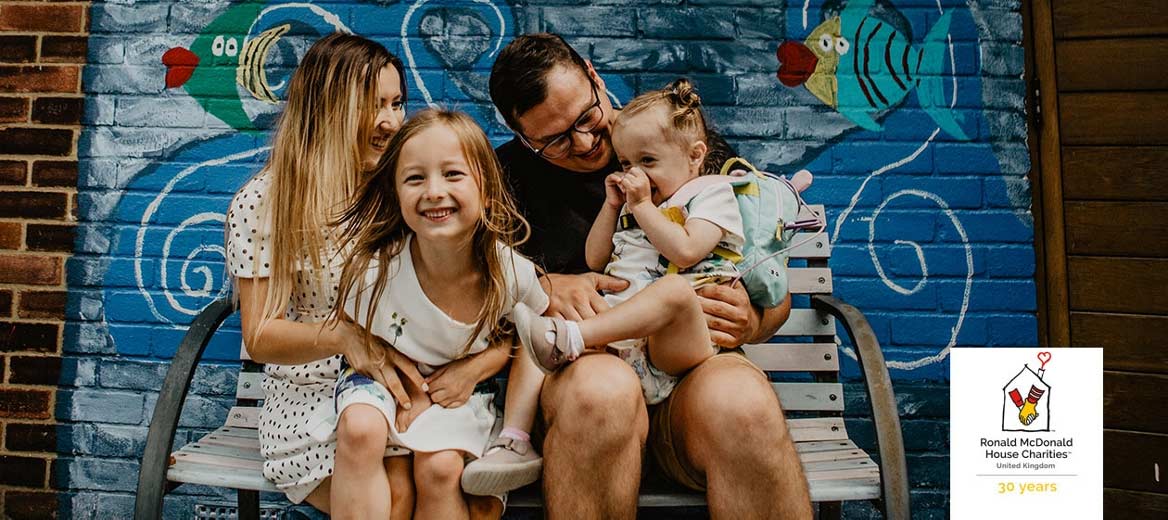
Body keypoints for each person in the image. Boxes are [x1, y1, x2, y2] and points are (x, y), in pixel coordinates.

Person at [488, 33, 814, 518]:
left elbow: (771, 282)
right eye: (553, 141)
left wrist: (752, 320)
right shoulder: (502, 179)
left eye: (586, 117)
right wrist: (542, 285)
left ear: (596, 79)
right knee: (601, 395)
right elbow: (467, 293)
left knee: (742, 403)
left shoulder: (674, 138)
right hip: (589, 373)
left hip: (691, 371)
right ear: (521, 138)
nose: (582, 142)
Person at [226, 35, 503, 520]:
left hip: (414, 388)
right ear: (329, 107)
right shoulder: (268, 200)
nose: (392, 121)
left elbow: (492, 284)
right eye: (373, 105)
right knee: (396, 498)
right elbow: (262, 334)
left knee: (448, 487)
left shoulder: (404, 186)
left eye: (397, 103)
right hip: (313, 395)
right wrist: (344, 337)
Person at [326, 108, 551, 518]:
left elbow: (526, 336)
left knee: (441, 467)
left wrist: (474, 370)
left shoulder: (510, 273)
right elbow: (351, 331)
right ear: (396, 194)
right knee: (359, 428)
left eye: (452, 174)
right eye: (415, 178)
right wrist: (399, 378)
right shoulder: (375, 270)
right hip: (386, 386)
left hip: (460, 394)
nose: (433, 191)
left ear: (486, 189)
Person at [513, 80, 742, 410]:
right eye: (625, 164)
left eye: (648, 161)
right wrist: (611, 207)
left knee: (675, 291)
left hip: (681, 342)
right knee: (539, 320)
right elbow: (595, 259)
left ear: (694, 156)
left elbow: (686, 250)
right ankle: (514, 437)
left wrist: (643, 207)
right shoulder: (635, 205)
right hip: (624, 344)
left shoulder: (712, 194)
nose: (635, 173)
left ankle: (572, 337)